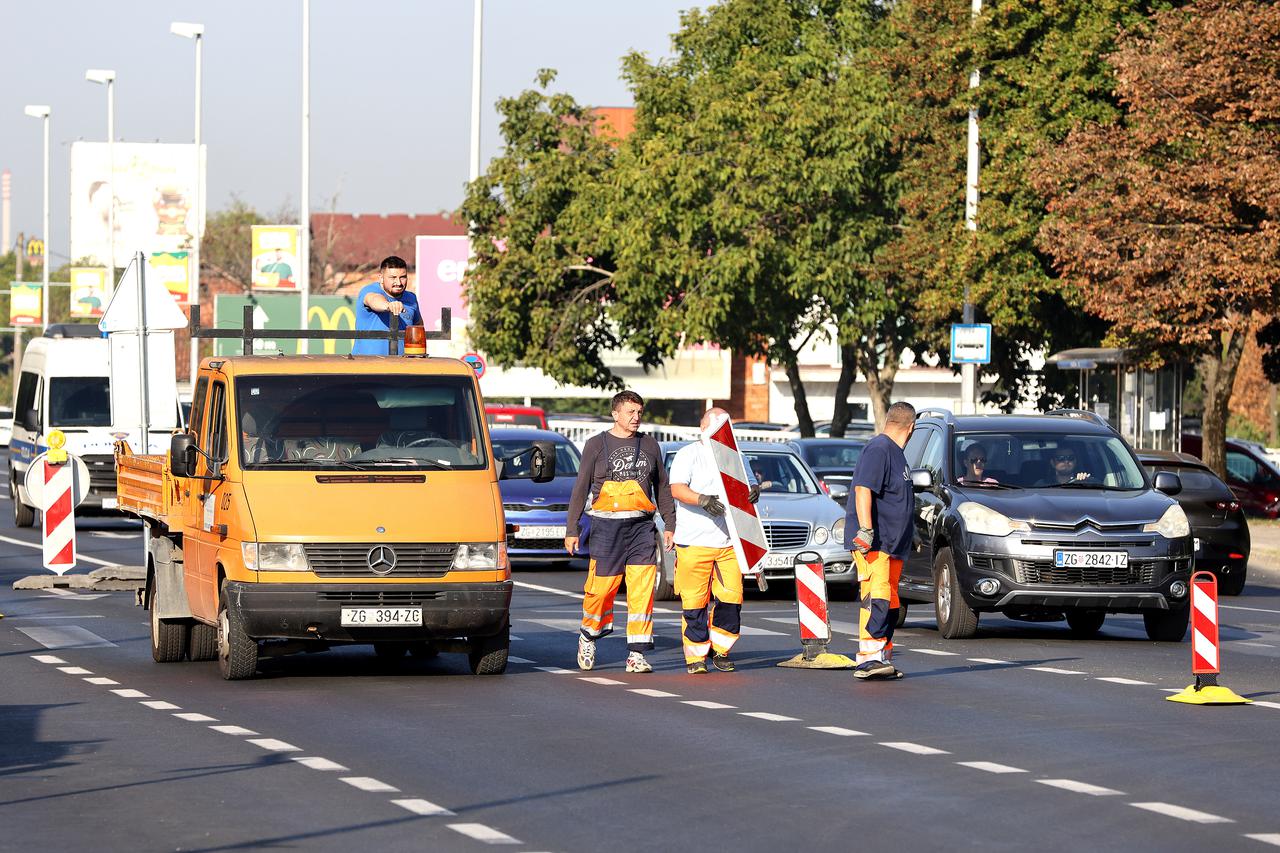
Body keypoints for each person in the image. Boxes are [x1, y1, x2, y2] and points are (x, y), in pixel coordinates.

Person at [565, 390, 676, 674]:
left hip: (641, 528)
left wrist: (670, 525)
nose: (636, 418)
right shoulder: (596, 445)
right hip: (606, 528)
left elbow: (662, 487)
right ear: (615, 414)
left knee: (641, 591)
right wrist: (572, 528)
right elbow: (580, 489)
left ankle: (636, 653)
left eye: (639, 412)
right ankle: (588, 635)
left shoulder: (650, 445)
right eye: (630, 412)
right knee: (601, 590)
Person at [668, 408, 760, 674]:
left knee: (731, 599)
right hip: (694, 543)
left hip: (729, 544)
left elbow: (750, 484)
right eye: (717, 425)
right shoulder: (689, 454)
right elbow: (677, 489)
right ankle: (696, 657)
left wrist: (753, 491)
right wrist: (702, 500)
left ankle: (721, 651)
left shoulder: (736, 456)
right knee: (695, 602)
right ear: (703, 428)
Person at [845, 401, 916, 680]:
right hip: (876, 542)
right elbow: (864, 489)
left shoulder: (895, 453)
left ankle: (882, 656)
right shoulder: (879, 449)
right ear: (911, 428)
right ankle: (868, 659)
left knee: (890, 601)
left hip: (892, 544)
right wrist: (865, 529)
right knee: (877, 596)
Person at [352, 256, 421, 355]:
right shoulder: (369, 290)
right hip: (367, 366)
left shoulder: (411, 298)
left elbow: (418, 329)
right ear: (381, 278)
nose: (398, 282)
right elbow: (373, 299)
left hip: (402, 366)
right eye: (393, 278)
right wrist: (388, 305)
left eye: (402, 277)